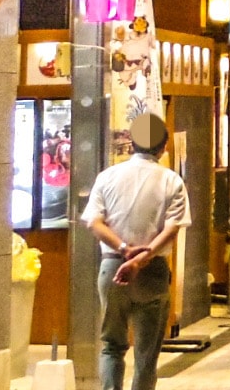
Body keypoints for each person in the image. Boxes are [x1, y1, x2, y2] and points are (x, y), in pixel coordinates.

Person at [81, 113, 189, 390]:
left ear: (131, 143)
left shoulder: (107, 177)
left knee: (111, 346)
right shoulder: (171, 180)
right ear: (163, 148)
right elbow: (172, 227)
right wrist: (142, 258)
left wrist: (123, 248)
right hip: (151, 271)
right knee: (146, 354)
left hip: (112, 267)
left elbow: (94, 222)